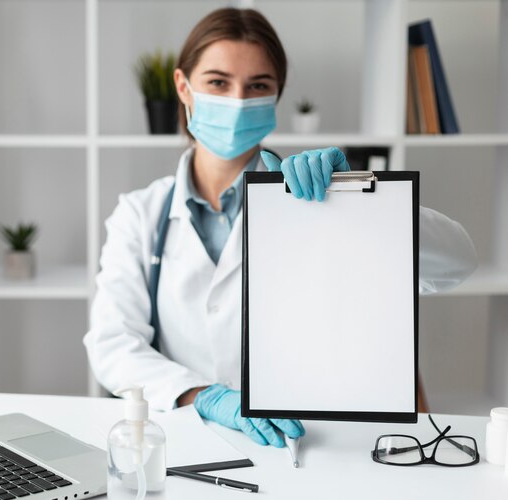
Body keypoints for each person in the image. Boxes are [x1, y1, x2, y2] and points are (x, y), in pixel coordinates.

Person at [84, 8, 477, 448]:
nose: (237, 100)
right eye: (218, 82)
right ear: (183, 87)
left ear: (275, 97)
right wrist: (205, 396)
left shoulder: (318, 198)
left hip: (308, 441)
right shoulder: (140, 214)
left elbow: (457, 263)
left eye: (258, 86)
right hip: (190, 438)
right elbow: (113, 344)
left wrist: (363, 205)